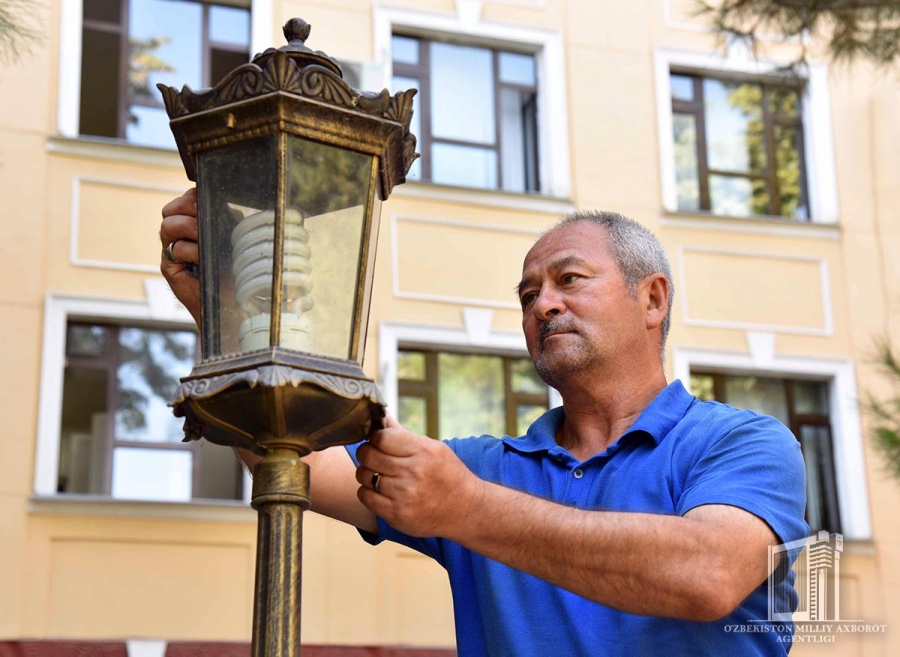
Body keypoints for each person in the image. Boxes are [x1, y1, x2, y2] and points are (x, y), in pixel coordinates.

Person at [160, 189, 808, 656]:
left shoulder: (741, 443)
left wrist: (466, 507)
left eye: (569, 279)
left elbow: (709, 574)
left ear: (652, 298)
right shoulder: (487, 467)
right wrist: (230, 314)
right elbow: (294, 457)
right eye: (528, 296)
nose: (543, 305)